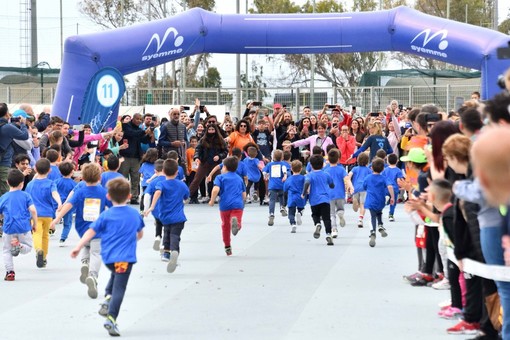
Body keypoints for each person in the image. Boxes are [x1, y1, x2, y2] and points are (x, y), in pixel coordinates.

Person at [71, 177, 144, 337]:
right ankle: (111, 317)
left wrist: (78, 246)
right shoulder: (134, 214)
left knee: (115, 275)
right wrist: (133, 239)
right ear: (129, 196)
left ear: (108, 197)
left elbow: (91, 231)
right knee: (120, 287)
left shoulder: (105, 215)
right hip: (125, 258)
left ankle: (107, 296)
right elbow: (140, 234)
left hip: (109, 257)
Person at [51, 163, 111, 298]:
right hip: (97, 229)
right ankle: (93, 276)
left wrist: (56, 219)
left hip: (82, 227)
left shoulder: (80, 191)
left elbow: (68, 205)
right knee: (96, 253)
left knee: (86, 246)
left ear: (83, 177)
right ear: (99, 177)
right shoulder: (103, 192)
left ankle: (84, 262)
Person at [144, 159, 189, 273]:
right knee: (175, 235)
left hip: (165, 216)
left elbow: (158, 192)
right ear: (177, 172)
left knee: (167, 234)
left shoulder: (161, 184)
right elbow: (186, 198)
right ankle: (175, 251)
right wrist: (184, 200)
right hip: (179, 217)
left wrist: (152, 206)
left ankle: (166, 253)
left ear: (163, 171)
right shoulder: (182, 184)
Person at [0, 169, 37, 281]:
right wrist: (34, 223)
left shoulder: (3, 198)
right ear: (22, 183)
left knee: (7, 250)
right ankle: (19, 245)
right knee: (29, 247)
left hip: (9, 228)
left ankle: (10, 272)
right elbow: (33, 210)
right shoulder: (26, 196)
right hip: (23, 227)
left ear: (7, 182)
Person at [25, 158, 62, 268]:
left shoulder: (30, 185)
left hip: (35, 215)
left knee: (36, 234)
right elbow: (55, 193)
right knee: (45, 236)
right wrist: (59, 203)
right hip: (48, 214)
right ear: (49, 170)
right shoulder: (51, 183)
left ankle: (38, 250)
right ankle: (44, 257)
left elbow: (26, 199)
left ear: (35, 169)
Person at [209, 156, 246, 256]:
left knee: (225, 225)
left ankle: (227, 246)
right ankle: (237, 225)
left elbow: (216, 190)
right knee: (237, 219)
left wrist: (212, 201)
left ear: (224, 167)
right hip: (238, 204)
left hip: (225, 205)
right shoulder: (239, 178)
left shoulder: (220, 177)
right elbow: (244, 195)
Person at [119, 113, 154, 205]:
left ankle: (134, 197)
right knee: (123, 178)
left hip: (136, 157)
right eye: (137, 119)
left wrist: (149, 134)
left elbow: (144, 140)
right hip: (125, 156)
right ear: (133, 119)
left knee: (135, 179)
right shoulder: (125, 126)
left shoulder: (139, 129)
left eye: (140, 120)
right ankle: (121, 197)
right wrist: (144, 132)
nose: (139, 121)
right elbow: (132, 134)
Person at [188, 124, 228, 204]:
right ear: (207, 130)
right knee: (196, 180)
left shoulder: (220, 140)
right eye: (209, 130)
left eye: (213, 129)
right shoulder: (203, 140)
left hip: (215, 164)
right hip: (204, 163)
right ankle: (185, 196)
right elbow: (198, 150)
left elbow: (225, 151)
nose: (211, 131)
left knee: (219, 180)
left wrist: (219, 156)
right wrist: (196, 158)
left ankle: (225, 197)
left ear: (215, 130)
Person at [303, 154, 335, 246]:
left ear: (311, 165)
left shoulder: (309, 175)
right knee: (327, 218)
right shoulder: (326, 174)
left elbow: (307, 183)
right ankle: (329, 234)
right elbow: (332, 184)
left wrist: (304, 193)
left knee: (315, 214)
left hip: (314, 199)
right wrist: (331, 186)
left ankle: (317, 224)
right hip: (325, 199)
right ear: (322, 164)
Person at [363, 158, 394, 247]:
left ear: (371, 168)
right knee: (379, 212)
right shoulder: (383, 178)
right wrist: (392, 197)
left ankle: (372, 231)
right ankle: (380, 225)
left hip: (371, 200)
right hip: (381, 200)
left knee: (372, 216)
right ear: (383, 169)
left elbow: (364, 186)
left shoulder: (368, 178)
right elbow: (390, 187)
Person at [0, 103, 30, 196]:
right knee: (5, 192)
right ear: (7, 113)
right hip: (4, 163)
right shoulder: (8, 127)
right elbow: (24, 136)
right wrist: (23, 124)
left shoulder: (7, 126)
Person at [142, 159, 166, 255]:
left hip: (155, 208)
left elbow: (147, 196)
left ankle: (157, 236)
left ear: (155, 171)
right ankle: (164, 245)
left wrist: (146, 209)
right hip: (168, 209)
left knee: (158, 223)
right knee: (168, 228)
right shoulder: (169, 180)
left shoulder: (153, 182)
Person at [324, 149, 348, 238]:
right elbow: (346, 179)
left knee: (331, 214)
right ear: (338, 158)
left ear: (328, 159)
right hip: (340, 193)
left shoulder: (325, 170)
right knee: (340, 208)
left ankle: (334, 229)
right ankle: (341, 213)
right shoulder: (341, 169)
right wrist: (349, 187)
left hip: (329, 194)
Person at [345, 153, 372, 228]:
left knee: (355, 209)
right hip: (364, 188)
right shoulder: (368, 170)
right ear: (367, 161)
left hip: (355, 188)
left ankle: (355, 201)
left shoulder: (355, 169)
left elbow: (348, 176)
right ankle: (360, 219)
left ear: (357, 160)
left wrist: (348, 185)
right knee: (363, 205)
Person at [262, 150, 288, 226]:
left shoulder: (270, 164)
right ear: (282, 157)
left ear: (273, 157)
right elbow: (284, 170)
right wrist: (285, 175)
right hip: (281, 184)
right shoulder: (283, 164)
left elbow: (264, 171)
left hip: (272, 185)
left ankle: (271, 214)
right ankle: (282, 207)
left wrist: (265, 175)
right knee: (281, 196)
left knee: (272, 200)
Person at [54, 161, 77, 246]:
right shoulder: (74, 184)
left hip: (57, 205)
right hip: (68, 206)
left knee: (54, 218)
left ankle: (51, 229)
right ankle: (63, 238)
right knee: (67, 223)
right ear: (72, 171)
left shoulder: (56, 182)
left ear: (60, 172)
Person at [283, 160, 306, 234]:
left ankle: (293, 224)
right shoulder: (303, 178)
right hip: (300, 196)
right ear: (301, 169)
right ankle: (300, 213)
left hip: (291, 197)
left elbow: (285, 189)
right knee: (301, 208)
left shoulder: (289, 179)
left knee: (291, 213)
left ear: (291, 169)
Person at [382, 154, 404, 222]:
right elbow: (398, 180)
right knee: (393, 202)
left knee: (386, 198)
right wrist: (401, 186)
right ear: (397, 161)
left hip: (386, 187)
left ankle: (386, 199)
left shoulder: (385, 170)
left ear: (388, 161)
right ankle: (391, 215)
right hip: (394, 188)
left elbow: (382, 179)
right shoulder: (398, 170)